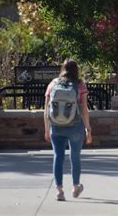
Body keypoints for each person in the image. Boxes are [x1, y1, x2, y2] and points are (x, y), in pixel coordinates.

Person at [43, 59, 92, 201]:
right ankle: (76, 187)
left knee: (58, 156)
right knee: (75, 156)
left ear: (62, 68)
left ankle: (59, 191)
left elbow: (46, 110)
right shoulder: (79, 85)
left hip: (56, 126)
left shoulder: (53, 84)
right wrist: (88, 128)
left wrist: (47, 129)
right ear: (76, 70)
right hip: (75, 126)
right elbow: (84, 109)